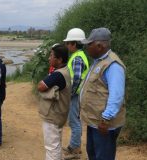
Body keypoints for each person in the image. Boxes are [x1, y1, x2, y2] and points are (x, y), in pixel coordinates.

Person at [80, 27, 126, 160]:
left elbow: (116, 96)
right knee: (93, 153)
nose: (87, 48)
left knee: (103, 156)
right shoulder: (99, 61)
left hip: (104, 124)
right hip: (95, 121)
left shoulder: (113, 65)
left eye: (89, 44)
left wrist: (106, 119)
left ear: (99, 46)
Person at [38, 44, 71, 160]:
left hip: (53, 115)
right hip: (59, 114)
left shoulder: (58, 75)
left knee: (51, 147)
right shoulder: (65, 70)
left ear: (60, 59)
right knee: (56, 144)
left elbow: (41, 86)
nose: (49, 58)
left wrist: (45, 80)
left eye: (51, 56)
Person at [63, 28, 89, 159]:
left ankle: (75, 149)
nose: (67, 45)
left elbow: (77, 78)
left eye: (68, 43)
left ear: (74, 43)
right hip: (78, 94)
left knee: (74, 122)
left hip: (75, 95)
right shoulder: (79, 55)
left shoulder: (77, 58)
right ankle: (74, 146)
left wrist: (71, 93)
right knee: (75, 121)